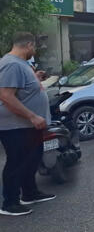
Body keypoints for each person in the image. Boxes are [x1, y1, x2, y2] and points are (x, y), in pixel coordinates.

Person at [0, 32, 55, 216]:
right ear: (29, 45)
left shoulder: (22, 64)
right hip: (16, 125)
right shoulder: (11, 64)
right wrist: (32, 116)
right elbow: (6, 95)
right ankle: (10, 203)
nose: (35, 51)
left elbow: (22, 90)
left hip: (29, 126)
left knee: (31, 159)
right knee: (17, 161)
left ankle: (30, 193)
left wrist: (36, 78)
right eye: (35, 47)